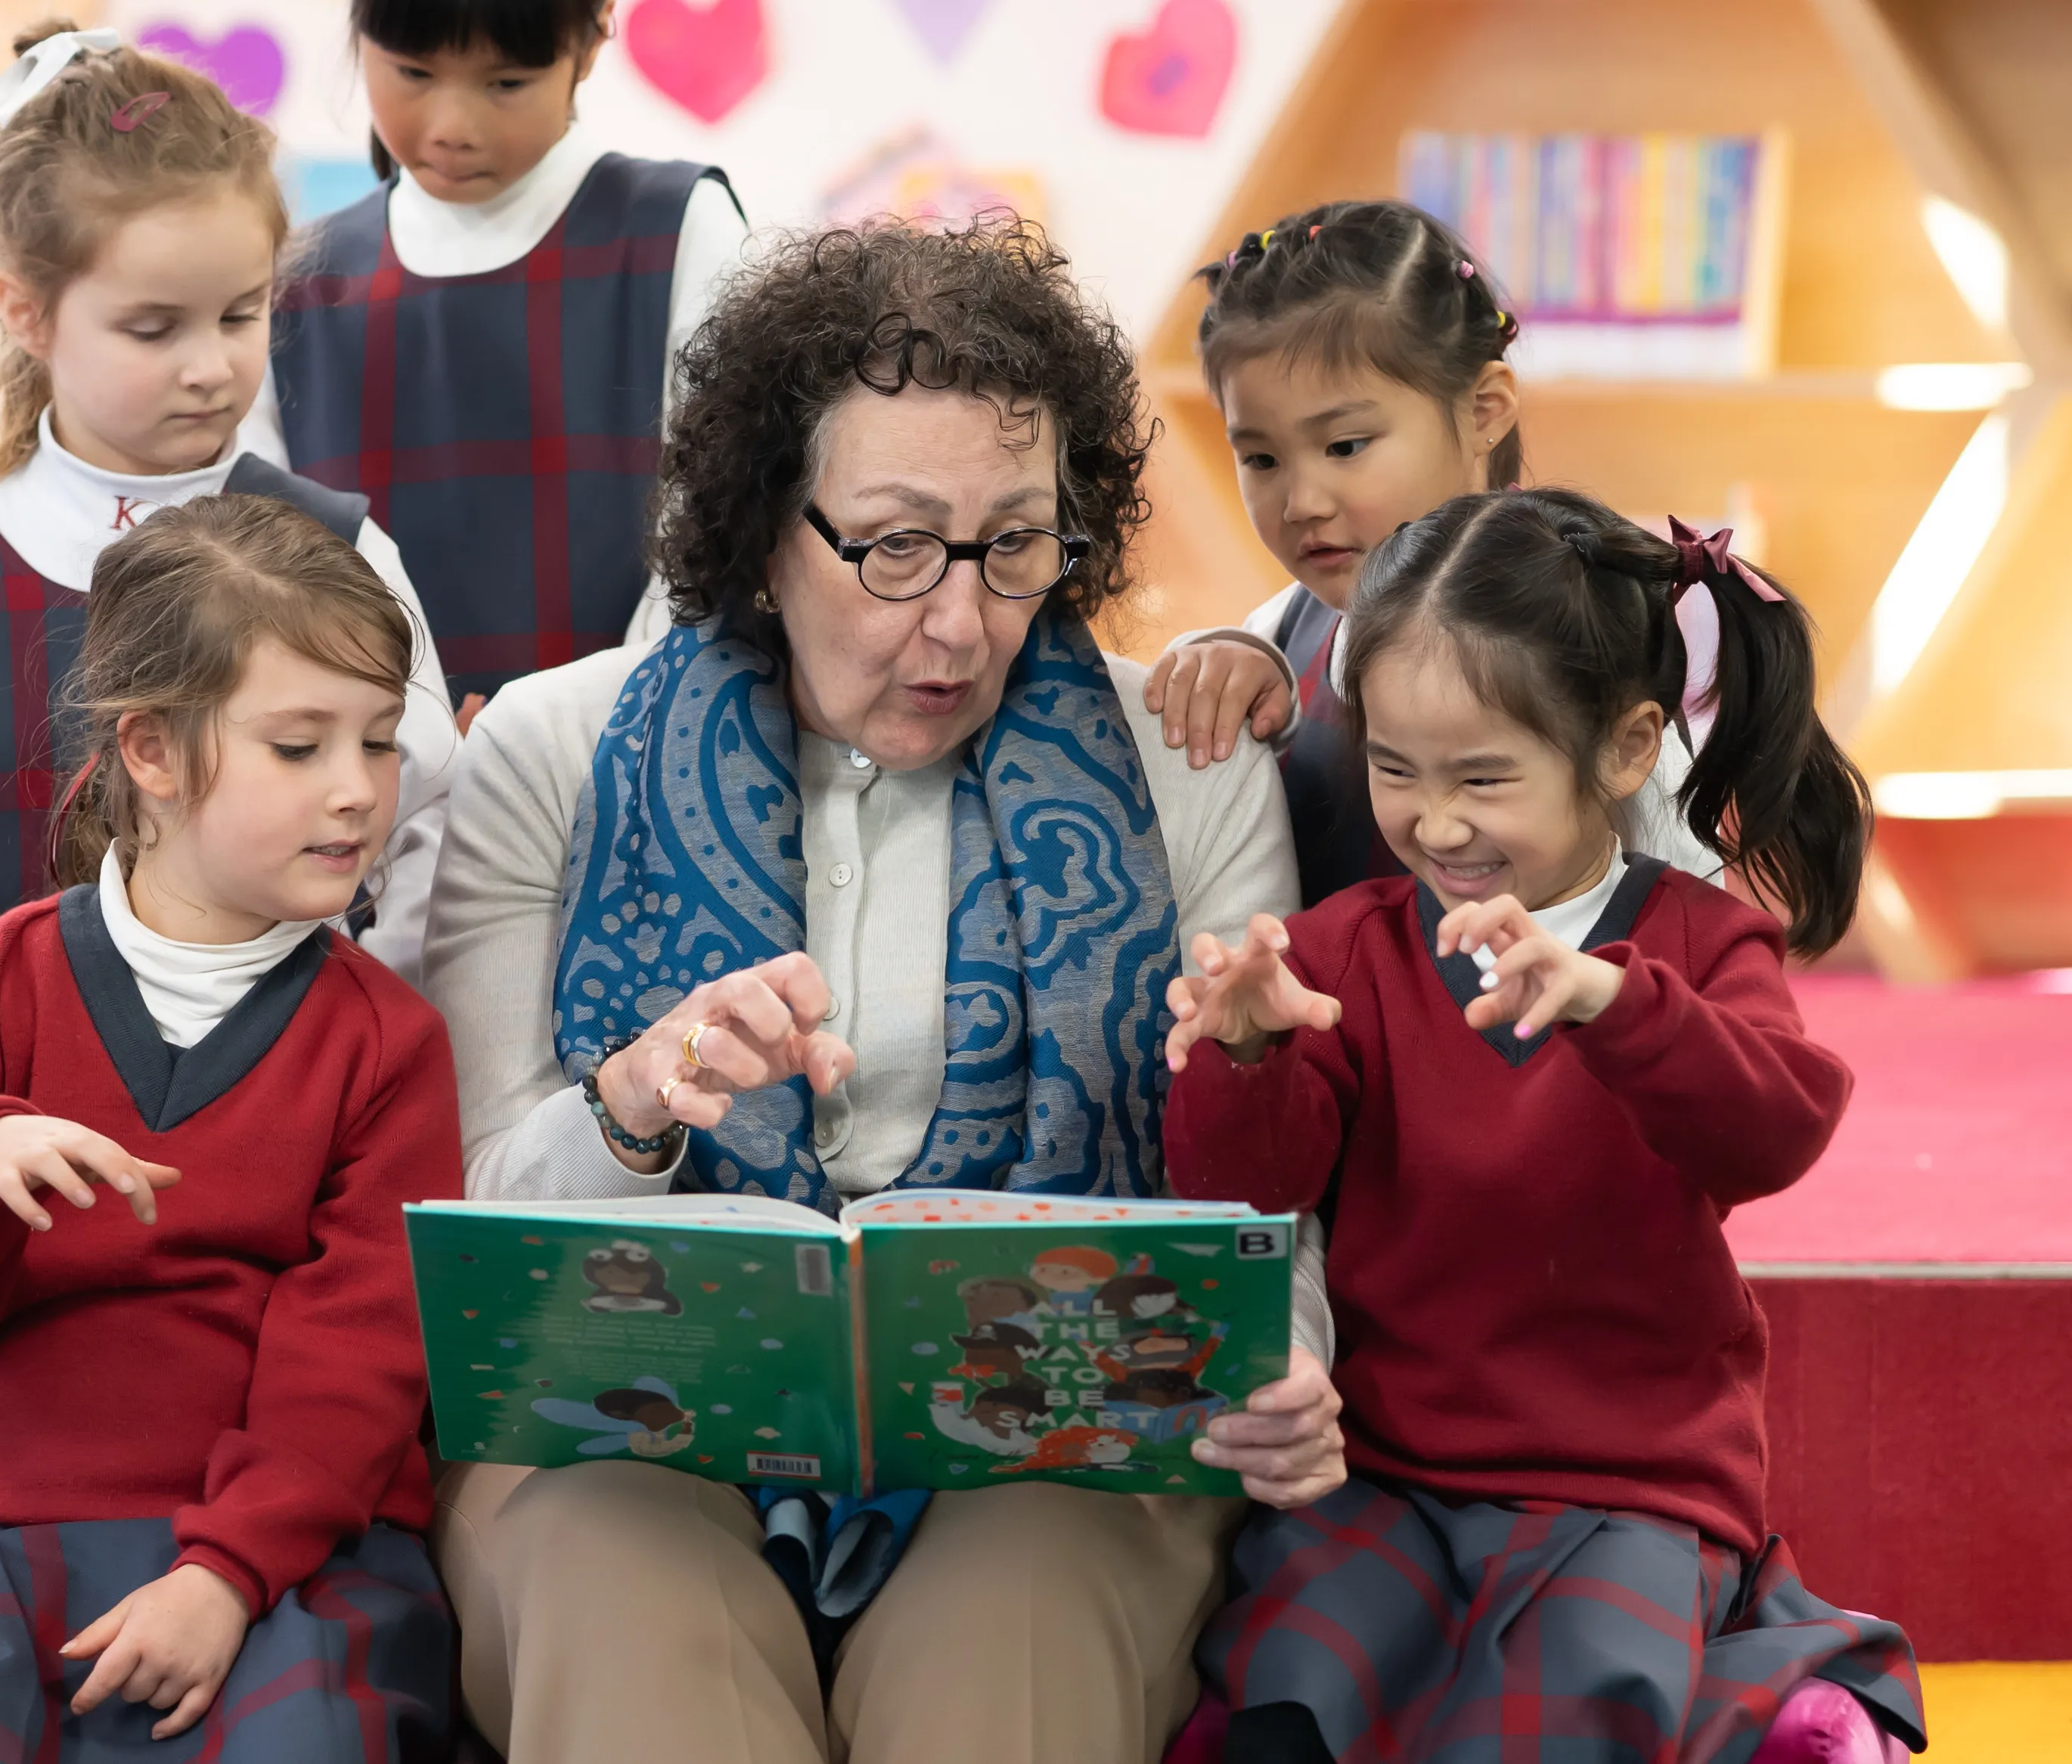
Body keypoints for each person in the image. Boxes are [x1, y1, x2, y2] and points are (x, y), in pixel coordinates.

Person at [421, 216, 1344, 1764]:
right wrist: (634, 1103)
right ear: (767, 529)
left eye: (1013, 544)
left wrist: (1284, 1359)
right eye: (896, 546)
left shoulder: (1185, 770)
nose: (964, 621)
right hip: (625, 1412)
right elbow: (468, 1218)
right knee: (607, 1570)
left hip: (1062, 1432)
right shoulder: (552, 750)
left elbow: (1258, 1203)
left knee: (1024, 1618)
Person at [0, 20, 459, 1580]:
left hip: (281, 1254)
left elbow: (425, 828)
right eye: (154, 326)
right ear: (25, 312)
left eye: (242, 313)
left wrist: (321, 1057)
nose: (213, 363)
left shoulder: (337, 554)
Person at [1162, 488, 1924, 1764]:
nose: (1435, 820)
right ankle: (1736, 1699)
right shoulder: (1346, 943)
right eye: (1394, 769)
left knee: (1561, 1717)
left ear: (1625, 751)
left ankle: (1778, 1693)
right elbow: (1255, 1184)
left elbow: (1775, 1130)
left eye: (1483, 777)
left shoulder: (1691, 940)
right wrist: (1245, 1049)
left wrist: (1617, 1005)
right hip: (1391, 1476)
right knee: (1291, 1690)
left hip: (1625, 1484)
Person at [0, 495, 459, 1754]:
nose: (357, 791)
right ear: (152, 752)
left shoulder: (388, 1042)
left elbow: (359, 1362)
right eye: (299, 745)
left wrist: (226, 1574)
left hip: (291, 1559)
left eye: (379, 742)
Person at [1136, 200, 1722, 904]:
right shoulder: (1285, 631)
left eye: (1345, 446)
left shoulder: (1568, 634)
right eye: (1261, 458)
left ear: (1483, 410)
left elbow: (1693, 934)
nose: (1302, 502)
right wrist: (1222, 665)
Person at [254, 0, 750, 713]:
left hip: (625, 753)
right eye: (414, 72)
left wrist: (573, 741)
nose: (454, 129)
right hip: (368, 780)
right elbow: (266, 569)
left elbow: (716, 531)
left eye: (506, 83)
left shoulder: (679, 227)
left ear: (590, 40)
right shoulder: (298, 278)